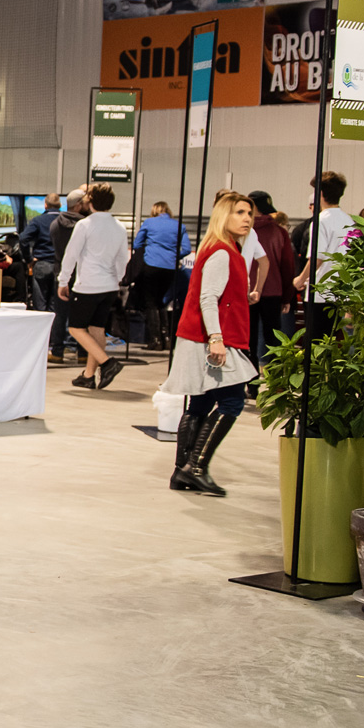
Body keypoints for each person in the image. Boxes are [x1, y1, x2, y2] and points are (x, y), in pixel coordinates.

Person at [161, 193, 259, 496]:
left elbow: (214, 294)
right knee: (232, 402)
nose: (246, 218)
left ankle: (182, 471)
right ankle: (197, 468)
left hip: (203, 336)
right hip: (213, 340)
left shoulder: (222, 248)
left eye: (249, 213)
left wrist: (244, 297)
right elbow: (207, 298)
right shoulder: (222, 252)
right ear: (223, 217)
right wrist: (216, 339)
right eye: (239, 212)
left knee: (201, 402)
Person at [58, 182, 130, 390]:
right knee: (97, 329)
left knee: (76, 328)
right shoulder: (119, 227)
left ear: (89, 201)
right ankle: (89, 375)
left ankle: (108, 363)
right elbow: (121, 259)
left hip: (88, 285)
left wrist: (63, 281)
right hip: (109, 286)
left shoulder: (85, 225)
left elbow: (71, 255)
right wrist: (116, 279)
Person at [291, 171, 351, 340]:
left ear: (321, 194)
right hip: (340, 290)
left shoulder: (321, 220)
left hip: (320, 292)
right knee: (331, 340)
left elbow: (317, 257)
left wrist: (300, 279)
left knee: (314, 340)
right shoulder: (349, 220)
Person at [246, 189, 296, 389]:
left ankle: (251, 384)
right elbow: (287, 266)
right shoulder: (280, 232)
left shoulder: (242, 231)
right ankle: (276, 385)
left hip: (246, 292)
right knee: (273, 338)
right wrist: (287, 297)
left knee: (248, 340)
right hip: (273, 292)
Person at [132, 201, 190, 351]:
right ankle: (167, 338)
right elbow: (187, 249)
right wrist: (172, 255)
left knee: (150, 302)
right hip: (170, 268)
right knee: (162, 302)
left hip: (151, 264)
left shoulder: (149, 222)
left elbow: (137, 244)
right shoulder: (179, 225)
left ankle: (155, 340)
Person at [48, 189, 89, 362]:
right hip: (82, 274)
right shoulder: (87, 225)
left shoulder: (56, 224)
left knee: (60, 313)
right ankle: (83, 353)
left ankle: (57, 351)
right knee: (82, 315)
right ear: (79, 205)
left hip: (61, 272)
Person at [18, 194, 60, 311]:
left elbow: (23, 238)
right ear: (60, 205)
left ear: (45, 205)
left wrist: (29, 259)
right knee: (54, 307)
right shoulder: (64, 221)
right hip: (61, 266)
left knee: (40, 307)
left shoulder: (38, 221)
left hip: (42, 264)